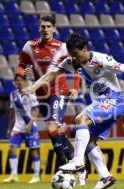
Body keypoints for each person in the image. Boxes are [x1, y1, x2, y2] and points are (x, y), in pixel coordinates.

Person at [23, 33, 124, 189]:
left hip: (113, 100)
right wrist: (34, 87)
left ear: (84, 49)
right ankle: (105, 177)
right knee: (89, 141)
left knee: (80, 119)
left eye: (76, 54)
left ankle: (77, 161)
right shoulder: (72, 61)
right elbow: (51, 74)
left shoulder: (101, 59)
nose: (74, 59)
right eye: (72, 55)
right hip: (101, 103)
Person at [16, 15, 81, 169]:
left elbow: (77, 67)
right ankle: (77, 163)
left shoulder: (62, 47)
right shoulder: (29, 46)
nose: (45, 29)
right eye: (43, 26)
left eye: (48, 26)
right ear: (39, 28)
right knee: (57, 130)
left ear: (54, 28)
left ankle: (62, 164)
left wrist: (76, 88)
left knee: (52, 127)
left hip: (59, 92)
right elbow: (21, 65)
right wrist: (23, 74)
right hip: (41, 94)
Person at [3, 74, 41, 183]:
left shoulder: (30, 93)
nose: (19, 82)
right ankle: (14, 175)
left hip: (30, 126)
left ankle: (37, 176)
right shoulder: (13, 95)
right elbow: (12, 112)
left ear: (25, 81)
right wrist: (9, 128)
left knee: (33, 150)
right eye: (17, 80)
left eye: (21, 80)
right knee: (12, 148)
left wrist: (30, 124)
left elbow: (36, 111)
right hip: (18, 127)